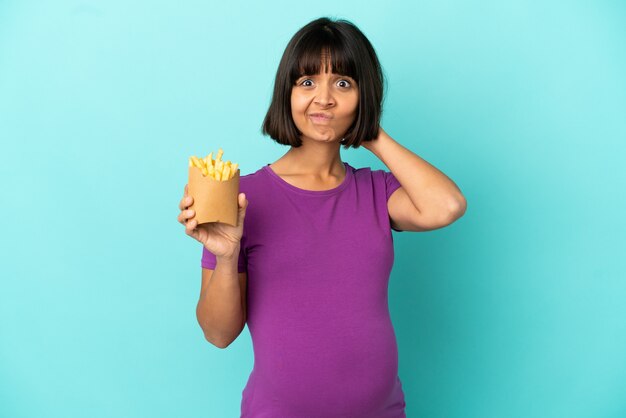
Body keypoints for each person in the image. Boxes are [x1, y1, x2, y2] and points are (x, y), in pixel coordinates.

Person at [177, 16, 466, 418]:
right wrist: (226, 257)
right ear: (287, 93)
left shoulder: (377, 192)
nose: (324, 98)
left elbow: (447, 206)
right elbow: (218, 334)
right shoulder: (245, 196)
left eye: (343, 84)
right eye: (307, 82)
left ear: (364, 96)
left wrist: (370, 132)